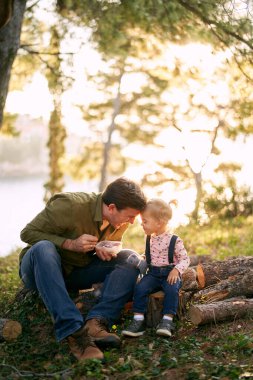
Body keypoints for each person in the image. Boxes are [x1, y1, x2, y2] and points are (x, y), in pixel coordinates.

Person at [19, 177, 146, 361]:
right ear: (111, 207)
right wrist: (70, 244)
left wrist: (103, 249)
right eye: (130, 216)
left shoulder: (121, 220)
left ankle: (96, 323)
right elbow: (27, 233)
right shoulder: (70, 205)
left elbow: (114, 244)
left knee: (130, 258)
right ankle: (74, 333)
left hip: (76, 271)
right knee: (43, 247)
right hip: (39, 269)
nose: (133, 222)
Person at [122, 198, 190, 338]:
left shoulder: (174, 240)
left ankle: (167, 320)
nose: (142, 224)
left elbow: (185, 259)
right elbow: (151, 256)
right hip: (153, 274)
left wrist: (176, 270)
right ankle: (138, 320)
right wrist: (141, 260)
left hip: (169, 273)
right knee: (140, 288)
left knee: (172, 290)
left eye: (145, 221)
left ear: (159, 223)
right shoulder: (150, 238)